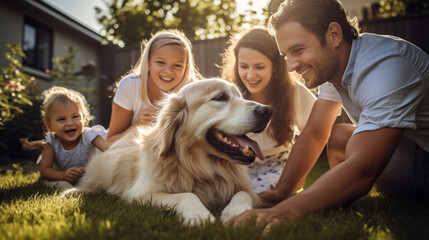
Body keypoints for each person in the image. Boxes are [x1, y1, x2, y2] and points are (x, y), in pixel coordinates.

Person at [232, 0, 429, 230]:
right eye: (286, 55)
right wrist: (282, 192)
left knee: (358, 158)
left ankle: (340, 192)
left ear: (334, 34)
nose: (291, 66)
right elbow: (315, 133)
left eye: (298, 50)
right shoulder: (334, 66)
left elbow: (363, 168)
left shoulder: (386, 67)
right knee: (338, 137)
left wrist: (285, 211)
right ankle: (339, 198)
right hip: (414, 157)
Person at [220, 27, 316, 193]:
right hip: (238, 166)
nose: (250, 75)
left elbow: (315, 134)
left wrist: (299, 175)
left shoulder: (293, 93)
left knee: (260, 194)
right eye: (244, 66)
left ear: (275, 67)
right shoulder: (229, 95)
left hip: (278, 166)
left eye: (259, 67)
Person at [107, 29, 201, 142]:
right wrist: (138, 125)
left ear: (186, 68)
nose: (168, 71)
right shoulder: (130, 86)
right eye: (160, 62)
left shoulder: (192, 93)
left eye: (177, 65)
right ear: (148, 63)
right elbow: (110, 142)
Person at [39, 86, 110, 190]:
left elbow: (111, 151)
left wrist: (94, 170)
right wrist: (64, 175)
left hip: (89, 176)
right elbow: (45, 170)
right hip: (63, 176)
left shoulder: (90, 136)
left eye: (75, 117)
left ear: (84, 119)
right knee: (55, 183)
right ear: (49, 126)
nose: (70, 123)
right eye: (61, 119)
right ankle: (67, 187)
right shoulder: (51, 142)